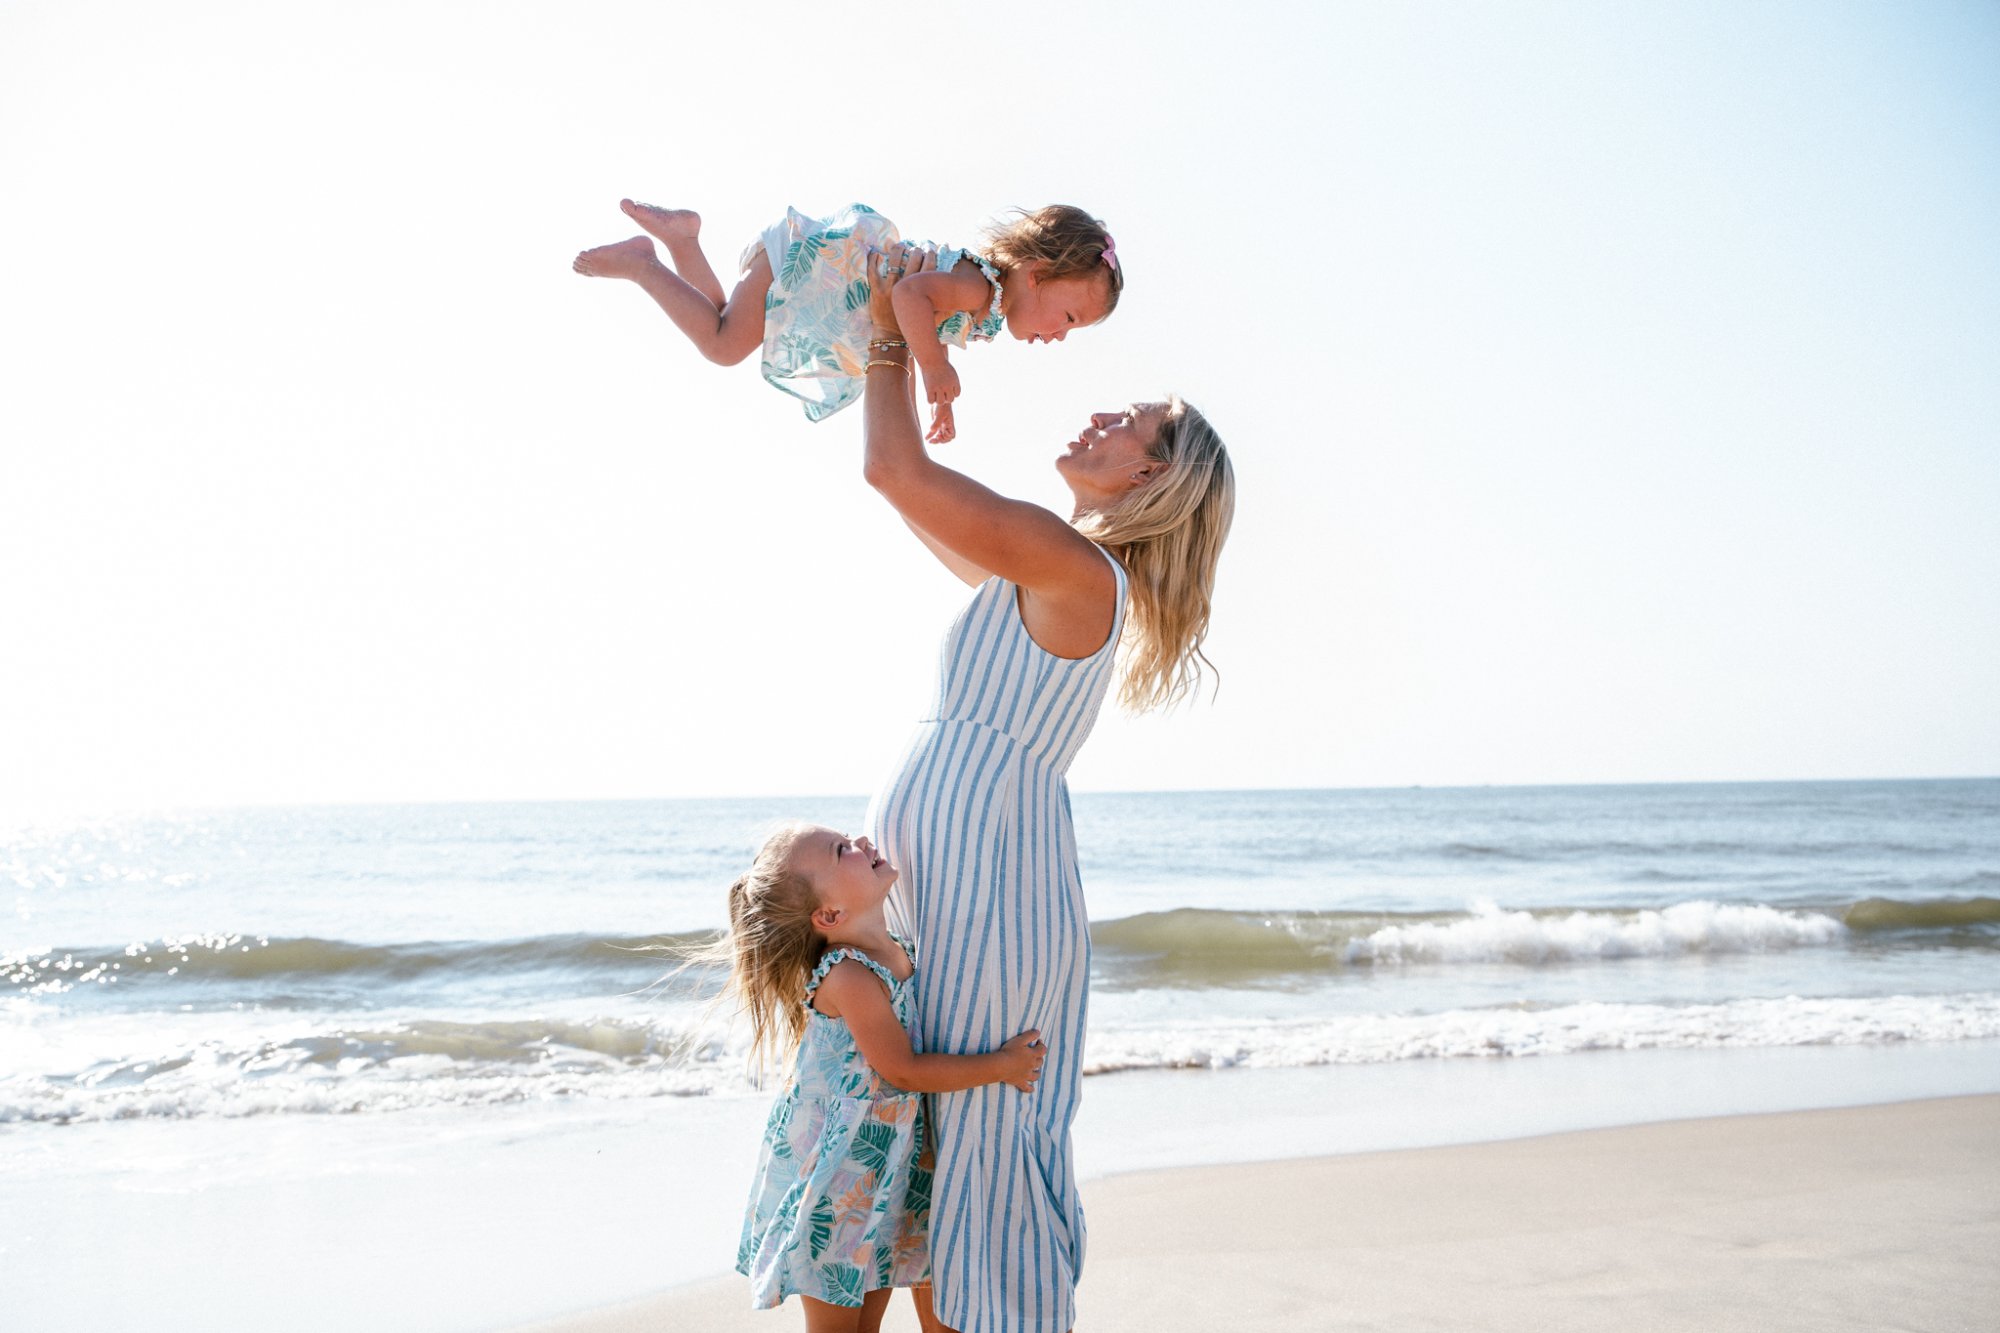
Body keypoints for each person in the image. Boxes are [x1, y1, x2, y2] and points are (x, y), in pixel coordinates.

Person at [859, 246, 1236, 1333]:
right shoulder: (1047, 564)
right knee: (956, 1142)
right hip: (978, 875)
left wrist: (896, 321)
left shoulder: (1070, 571)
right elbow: (903, 496)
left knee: (980, 1143)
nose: (1098, 419)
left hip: (990, 885)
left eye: (1129, 425)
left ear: (1152, 479)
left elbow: (894, 474)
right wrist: (883, 328)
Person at [721, 821, 1048, 1333]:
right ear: (830, 915)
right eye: (841, 850)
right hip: (841, 1174)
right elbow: (903, 1068)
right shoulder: (847, 974)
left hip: (883, 1168)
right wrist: (1001, 1066)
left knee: (867, 1317)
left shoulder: (901, 950)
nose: (862, 843)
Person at [573, 201, 1121, 442]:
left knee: (722, 324)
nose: (1059, 336)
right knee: (721, 345)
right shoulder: (977, 285)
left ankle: (684, 240)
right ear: (1038, 274)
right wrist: (931, 369)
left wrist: (940, 397)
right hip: (814, 269)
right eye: (1068, 317)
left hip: (818, 279)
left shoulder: (982, 304)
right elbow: (908, 297)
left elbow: (922, 321)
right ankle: (644, 264)